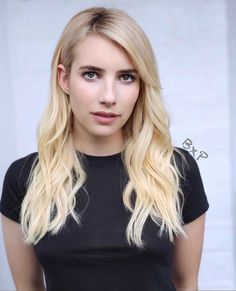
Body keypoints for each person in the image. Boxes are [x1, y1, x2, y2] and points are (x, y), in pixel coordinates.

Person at [0, 6, 209, 291]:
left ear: (141, 85)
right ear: (64, 79)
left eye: (126, 77)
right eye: (91, 74)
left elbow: (186, 284)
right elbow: (27, 288)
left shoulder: (175, 170)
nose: (109, 96)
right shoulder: (24, 178)